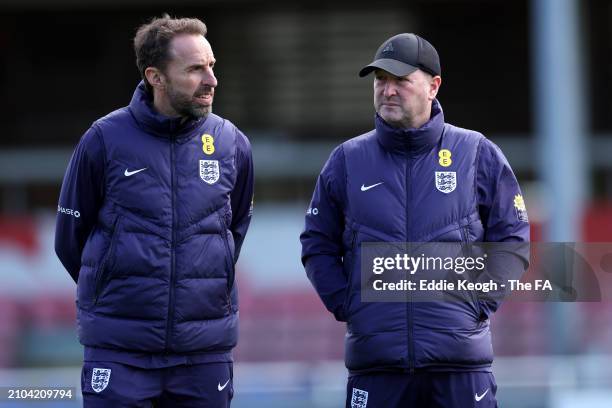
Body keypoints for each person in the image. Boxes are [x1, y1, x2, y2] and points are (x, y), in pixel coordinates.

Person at [300, 33, 529, 407]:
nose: (387, 91)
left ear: (433, 86)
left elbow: (512, 239)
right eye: (380, 81)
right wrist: (349, 302)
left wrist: (476, 301)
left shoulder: (476, 153)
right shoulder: (346, 160)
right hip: (377, 369)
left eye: (400, 80)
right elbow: (316, 244)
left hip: (459, 370)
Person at [55, 15, 253, 407]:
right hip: (120, 352)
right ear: (155, 77)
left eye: (211, 66)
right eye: (195, 69)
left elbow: (235, 231)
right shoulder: (104, 140)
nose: (211, 80)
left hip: (204, 354)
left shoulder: (232, 143)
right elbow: (69, 241)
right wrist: (120, 292)